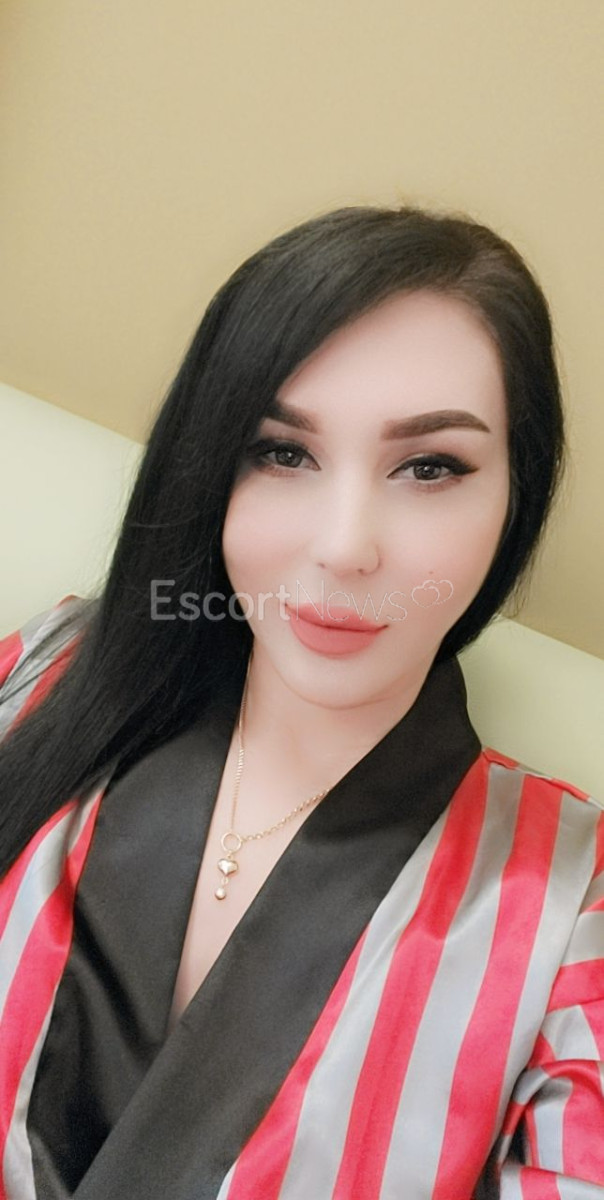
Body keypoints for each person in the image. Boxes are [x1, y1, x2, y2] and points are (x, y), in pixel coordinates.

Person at [0, 205, 602, 1200]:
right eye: (283, 452)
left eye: (430, 467)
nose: (343, 546)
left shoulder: (575, 904)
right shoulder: (40, 678)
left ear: (515, 498)